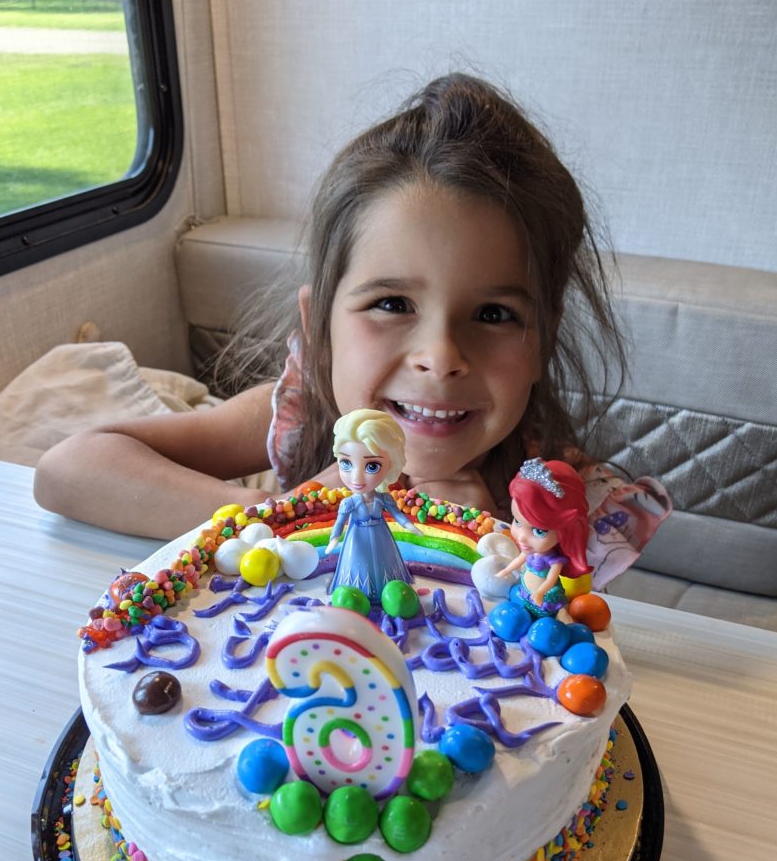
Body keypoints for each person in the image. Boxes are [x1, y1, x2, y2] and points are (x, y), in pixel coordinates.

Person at [35, 72, 667, 566]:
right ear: (319, 330)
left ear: (542, 343)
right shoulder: (301, 416)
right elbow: (69, 468)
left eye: (494, 313)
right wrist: (282, 514)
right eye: (392, 304)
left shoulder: (567, 503)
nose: (440, 357)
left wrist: (491, 547)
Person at [325, 408, 421, 602]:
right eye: (346, 463)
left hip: (381, 538)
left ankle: (389, 592)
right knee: (357, 565)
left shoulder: (384, 499)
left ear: (390, 465)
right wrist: (334, 539)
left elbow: (398, 515)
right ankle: (356, 595)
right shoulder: (349, 503)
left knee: (386, 563)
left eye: (372, 466)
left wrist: (409, 526)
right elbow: (340, 523)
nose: (356, 477)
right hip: (356, 540)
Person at [498, 458, 591, 618]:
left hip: (543, 600)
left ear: (565, 532)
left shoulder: (554, 560)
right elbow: (519, 560)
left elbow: (550, 580)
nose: (522, 537)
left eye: (539, 531)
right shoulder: (530, 551)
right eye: (517, 522)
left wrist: (540, 592)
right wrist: (505, 571)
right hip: (525, 590)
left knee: (544, 625)